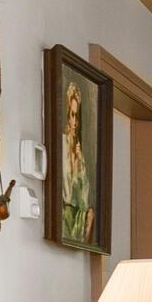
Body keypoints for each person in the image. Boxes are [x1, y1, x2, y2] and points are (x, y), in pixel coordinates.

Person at [60, 80, 95, 246]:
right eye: (72, 116)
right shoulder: (62, 145)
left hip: (77, 215)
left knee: (90, 214)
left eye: (77, 116)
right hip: (65, 213)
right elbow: (65, 193)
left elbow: (84, 199)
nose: (74, 123)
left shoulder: (80, 156)